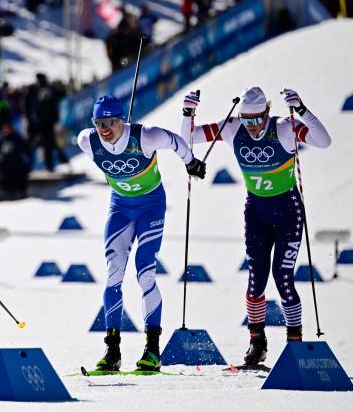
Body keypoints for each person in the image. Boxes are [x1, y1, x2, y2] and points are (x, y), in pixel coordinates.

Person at [180, 87, 331, 366]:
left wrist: (302, 110)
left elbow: (324, 140)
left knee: (283, 277)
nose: (251, 126)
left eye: (256, 120)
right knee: (256, 279)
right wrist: (188, 113)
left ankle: (294, 343)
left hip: (288, 212)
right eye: (246, 120)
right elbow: (187, 138)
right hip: (257, 213)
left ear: (267, 113)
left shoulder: (284, 128)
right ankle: (256, 343)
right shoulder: (233, 128)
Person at [78, 95, 206, 371]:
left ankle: (152, 350)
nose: (104, 128)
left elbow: (175, 141)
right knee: (113, 273)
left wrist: (191, 162)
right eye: (98, 122)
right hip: (120, 208)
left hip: (150, 206)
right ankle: (112, 352)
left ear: (121, 119)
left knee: (145, 271)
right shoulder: (86, 140)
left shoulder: (146, 137)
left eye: (110, 122)